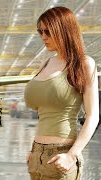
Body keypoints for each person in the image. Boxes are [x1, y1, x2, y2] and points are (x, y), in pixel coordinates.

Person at [24, 6, 99, 179]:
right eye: (40, 31)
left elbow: (92, 116)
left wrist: (72, 155)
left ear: (64, 30)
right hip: (36, 156)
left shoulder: (83, 64)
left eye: (48, 31)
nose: (43, 37)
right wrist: (34, 151)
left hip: (62, 155)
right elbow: (44, 114)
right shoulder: (46, 63)